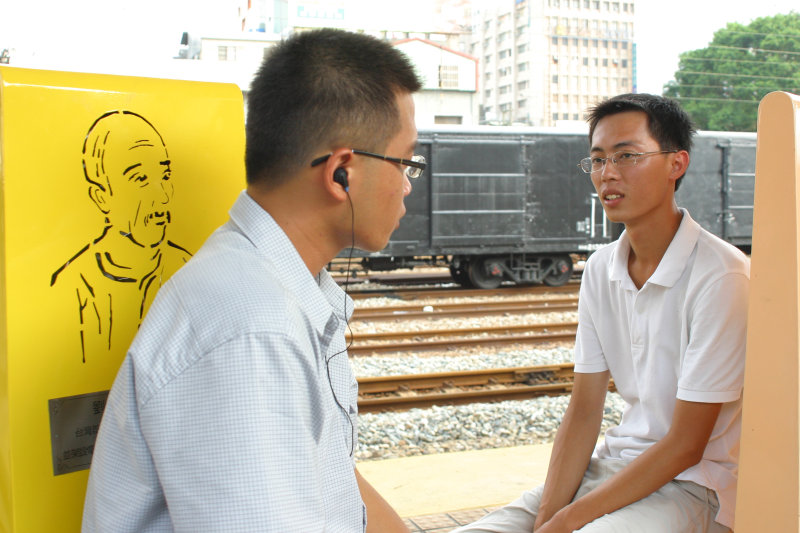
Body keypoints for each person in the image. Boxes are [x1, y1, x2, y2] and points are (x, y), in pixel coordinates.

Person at [82, 28, 423, 532]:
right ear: (341, 174)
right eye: (405, 161)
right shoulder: (251, 331)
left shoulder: (270, 290)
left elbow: (331, 480)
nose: (408, 184)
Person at [454, 93, 749, 533]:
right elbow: (584, 409)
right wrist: (548, 514)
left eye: (627, 155)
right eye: (597, 160)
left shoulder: (721, 275)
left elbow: (686, 446)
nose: (608, 173)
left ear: (676, 164)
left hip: (696, 486)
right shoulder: (599, 268)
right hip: (612, 469)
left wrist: (570, 519)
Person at [51, 110, 191, 363]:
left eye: (165, 176)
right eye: (141, 179)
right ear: (101, 197)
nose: (162, 197)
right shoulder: (75, 286)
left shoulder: (190, 269)